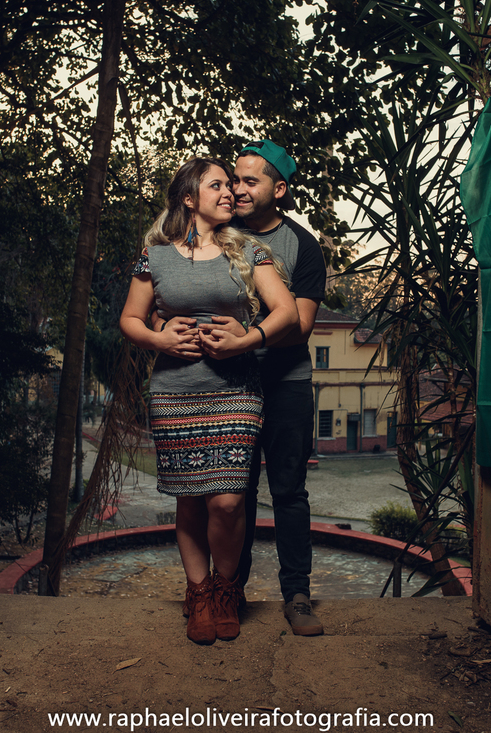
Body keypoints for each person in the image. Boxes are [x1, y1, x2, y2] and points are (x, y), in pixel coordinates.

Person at [119, 156, 297, 645]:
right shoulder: (154, 256)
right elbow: (130, 319)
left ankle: (225, 589)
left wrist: (246, 340)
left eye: (229, 185)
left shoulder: (250, 251)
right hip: (175, 393)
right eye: (216, 185)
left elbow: (285, 312)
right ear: (189, 198)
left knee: (228, 501)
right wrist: (159, 339)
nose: (229, 192)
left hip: (235, 391)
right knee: (191, 499)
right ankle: (198, 594)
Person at [197, 140, 328, 636]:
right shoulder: (215, 235)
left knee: (289, 492)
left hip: (286, 383)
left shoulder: (302, 246)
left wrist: (246, 336)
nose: (238, 188)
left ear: (279, 189)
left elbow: (302, 326)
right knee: (235, 493)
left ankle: (297, 596)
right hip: (226, 385)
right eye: (235, 179)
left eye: (251, 180)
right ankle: (229, 593)